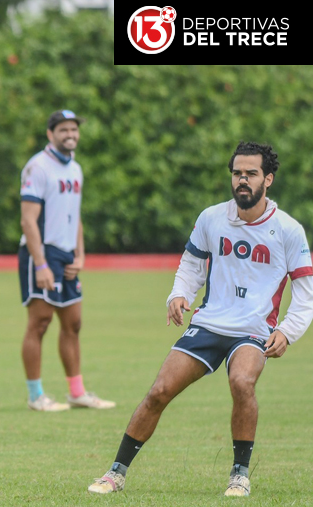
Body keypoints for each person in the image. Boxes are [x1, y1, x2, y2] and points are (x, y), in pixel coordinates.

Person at [88, 142, 313, 497]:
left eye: (251, 173)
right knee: (159, 390)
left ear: (267, 179)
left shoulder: (288, 230)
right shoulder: (211, 218)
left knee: (242, 382)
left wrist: (288, 331)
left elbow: (305, 291)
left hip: (254, 331)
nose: (242, 180)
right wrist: (179, 294)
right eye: (237, 173)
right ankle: (115, 473)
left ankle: (239, 475)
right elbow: (191, 264)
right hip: (208, 324)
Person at [18, 109, 114, 412]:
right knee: (40, 322)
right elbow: (28, 221)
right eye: (63, 130)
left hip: (67, 254)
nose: (70, 134)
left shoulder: (76, 169)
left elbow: (76, 216)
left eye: (74, 129)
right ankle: (36, 396)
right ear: (50, 134)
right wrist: (41, 264)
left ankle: (76, 392)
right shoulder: (38, 167)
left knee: (73, 324)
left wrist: (80, 254)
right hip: (42, 252)